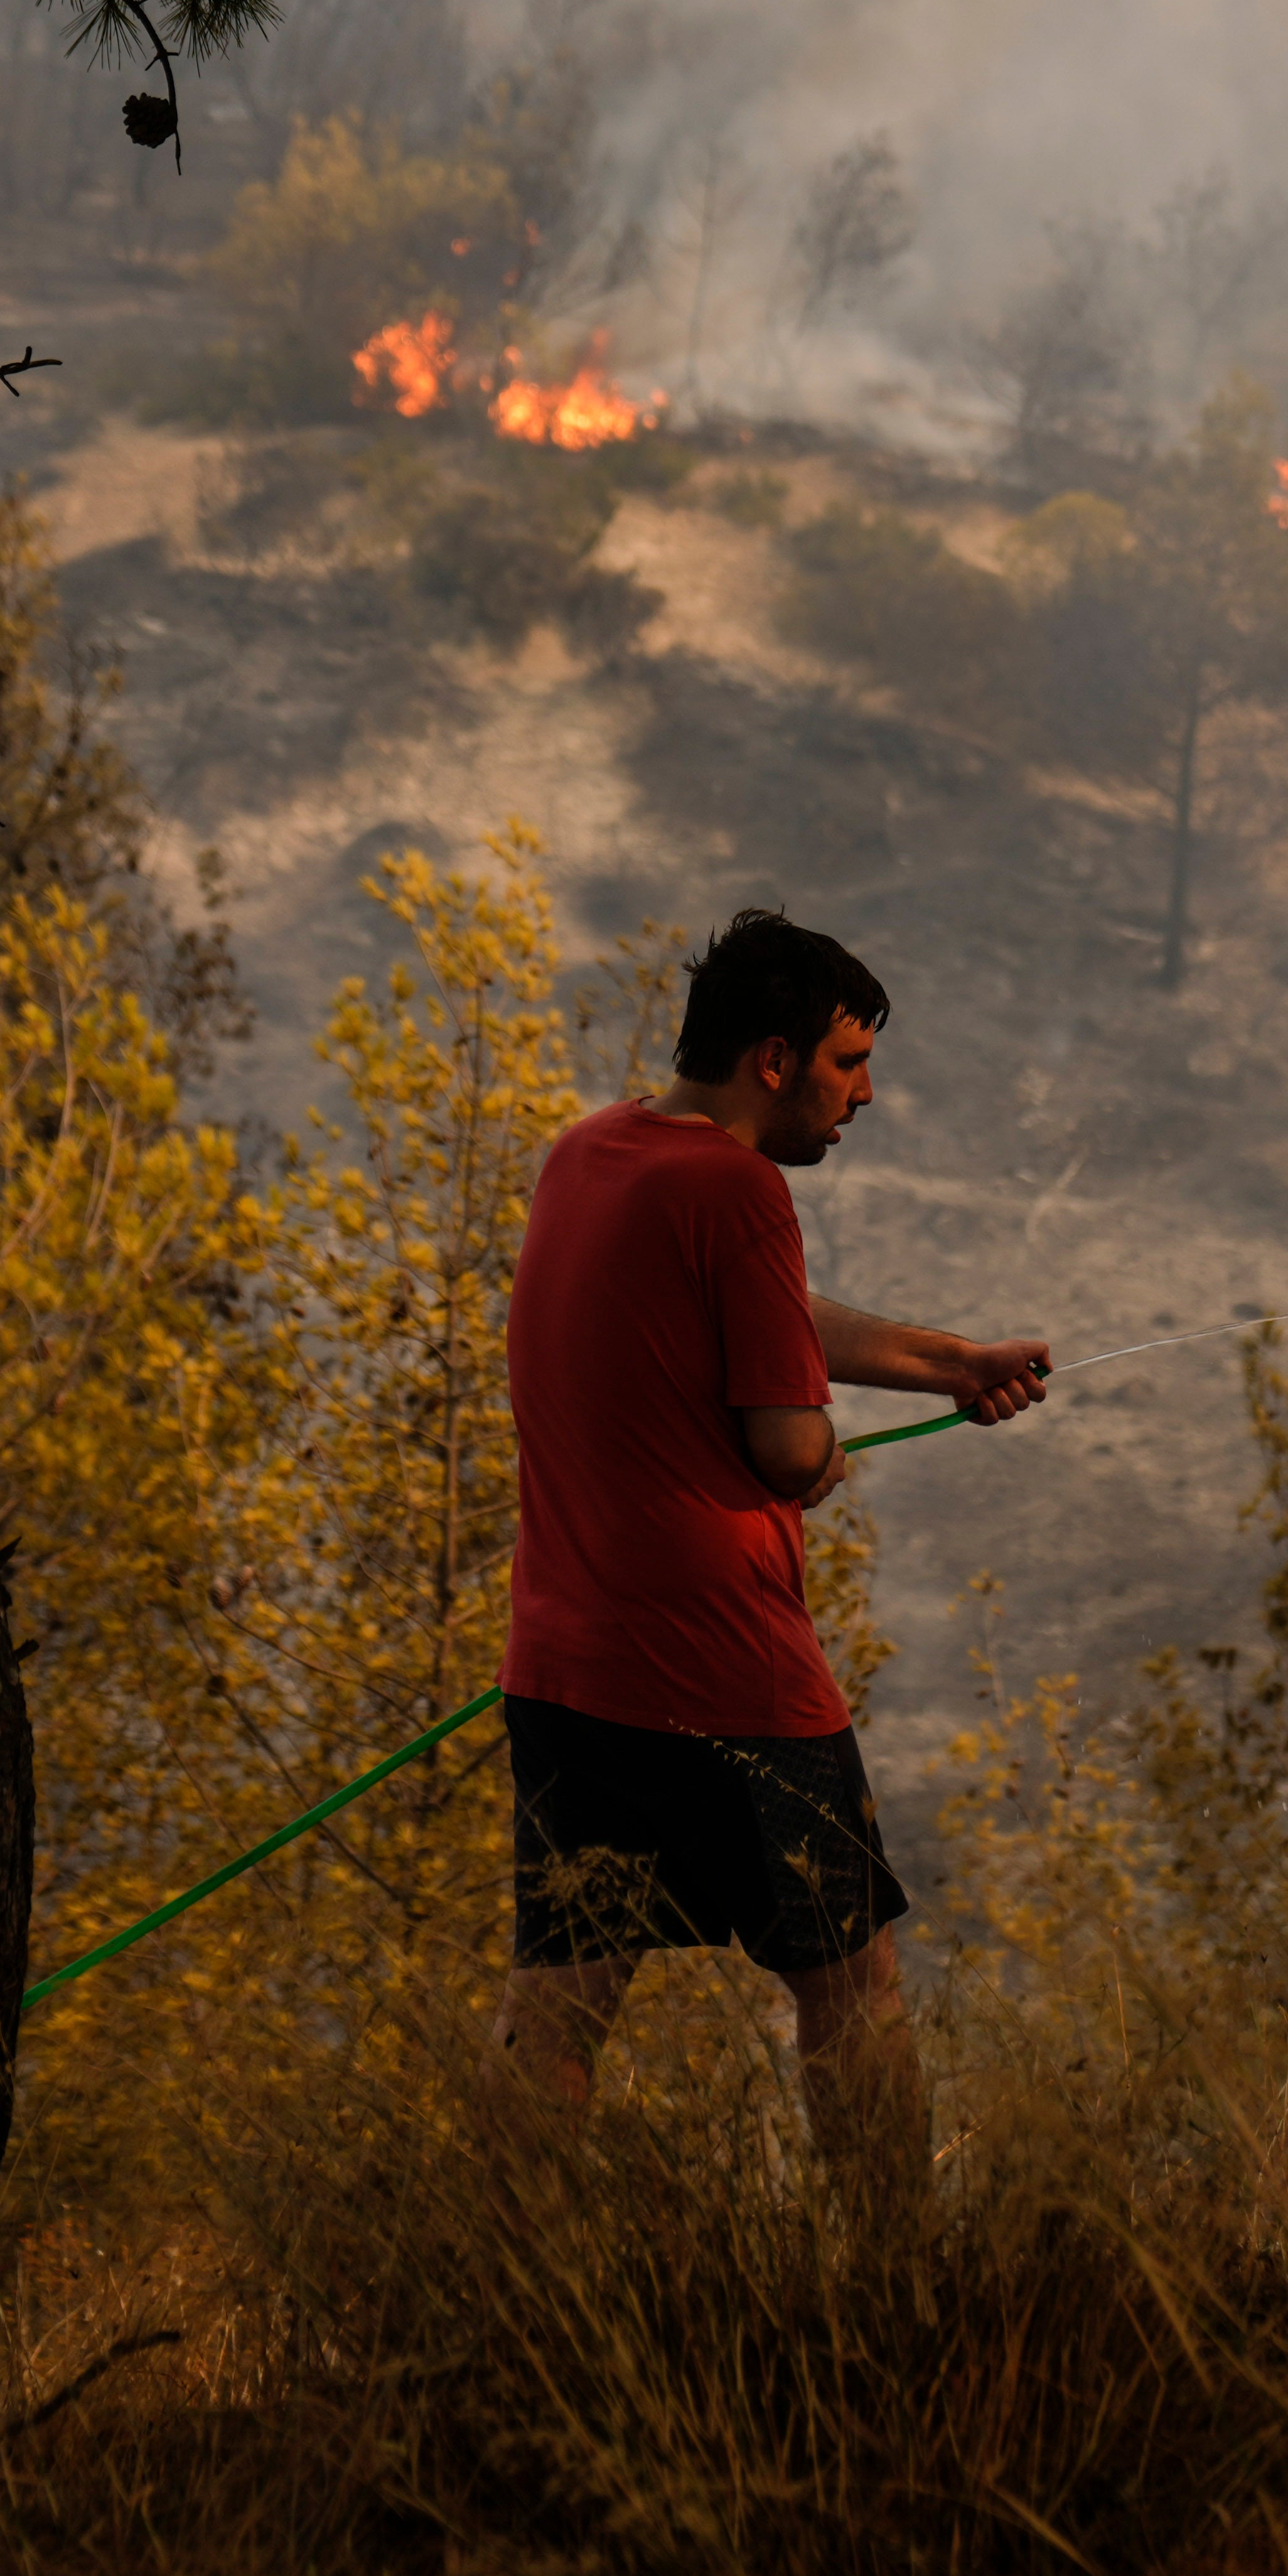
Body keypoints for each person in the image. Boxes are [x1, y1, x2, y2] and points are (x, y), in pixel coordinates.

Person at [488, 907, 1048, 2193]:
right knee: (856, 1989)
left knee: (557, 2008)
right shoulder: (741, 1191)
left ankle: (492, 2272)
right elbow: (789, 1447)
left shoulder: (594, 1153)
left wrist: (953, 1365)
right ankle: (894, 2271)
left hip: (567, 1677)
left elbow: (761, 1311)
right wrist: (821, 1452)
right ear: (776, 1061)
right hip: (729, 1682)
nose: (866, 1096)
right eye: (850, 1064)